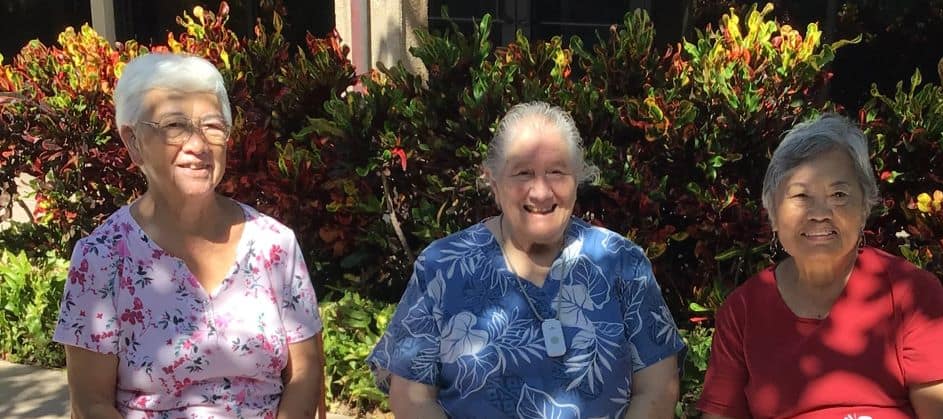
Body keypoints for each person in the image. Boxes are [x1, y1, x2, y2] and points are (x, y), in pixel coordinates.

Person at [367, 101, 686, 418]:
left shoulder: (622, 262)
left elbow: (657, 389)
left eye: (556, 172)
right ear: (493, 182)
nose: (541, 192)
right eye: (523, 173)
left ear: (577, 179)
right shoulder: (442, 266)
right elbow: (413, 399)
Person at [52, 53, 323, 418]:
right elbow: (90, 403)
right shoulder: (101, 258)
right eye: (174, 126)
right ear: (133, 142)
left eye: (212, 126)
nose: (197, 145)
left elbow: (305, 374)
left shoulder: (275, 245)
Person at [697, 114, 943, 418]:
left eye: (839, 194)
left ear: (864, 207)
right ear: (773, 213)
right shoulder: (743, 311)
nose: (820, 213)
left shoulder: (911, 293)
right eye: (801, 195)